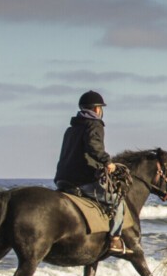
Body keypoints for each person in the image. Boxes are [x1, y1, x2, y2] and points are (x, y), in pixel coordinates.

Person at [54, 90, 129, 254]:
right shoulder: (94, 125)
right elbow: (94, 147)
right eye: (101, 108)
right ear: (97, 109)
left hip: (62, 179)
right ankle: (115, 240)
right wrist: (107, 162)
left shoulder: (71, 129)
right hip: (82, 180)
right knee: (117, 201)